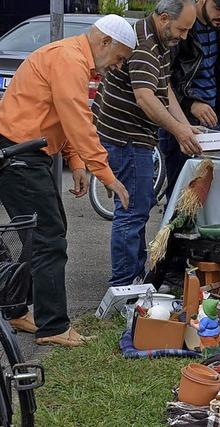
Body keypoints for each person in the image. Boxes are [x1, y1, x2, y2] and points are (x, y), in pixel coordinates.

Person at [0, 15, 135, 347]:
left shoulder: (71, 57)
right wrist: (105, 173)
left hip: (25, 153)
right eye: (119, 58)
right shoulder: (69, 59)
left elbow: (63, 115)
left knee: (38, 235)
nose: (116, 67)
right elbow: (77, 117)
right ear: (105, 42)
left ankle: (18, 309)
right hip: (20, 155)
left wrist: (76, 161)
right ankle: (53, 327)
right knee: (49, 239)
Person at [92, 0, 202, 288]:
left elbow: (162, 87)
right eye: (181, 29)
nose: (184, 36)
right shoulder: (143, 45)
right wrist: (179, 132)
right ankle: (125, 285)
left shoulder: (158, 40)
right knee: (132, 211)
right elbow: (145, 97)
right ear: (164, 18)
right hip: (125, 138)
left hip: (132, 137)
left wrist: (185, 125)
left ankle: (134, 278)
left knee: (138, 207)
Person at [160, 0, 220, 203]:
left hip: (212, 117)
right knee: (181, 192)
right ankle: (173, 234)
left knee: (206, 191)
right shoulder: (183, 26)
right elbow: (163, 81)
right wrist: (191, 103)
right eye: (218, 8)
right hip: (181, 119)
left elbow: (216, 70)